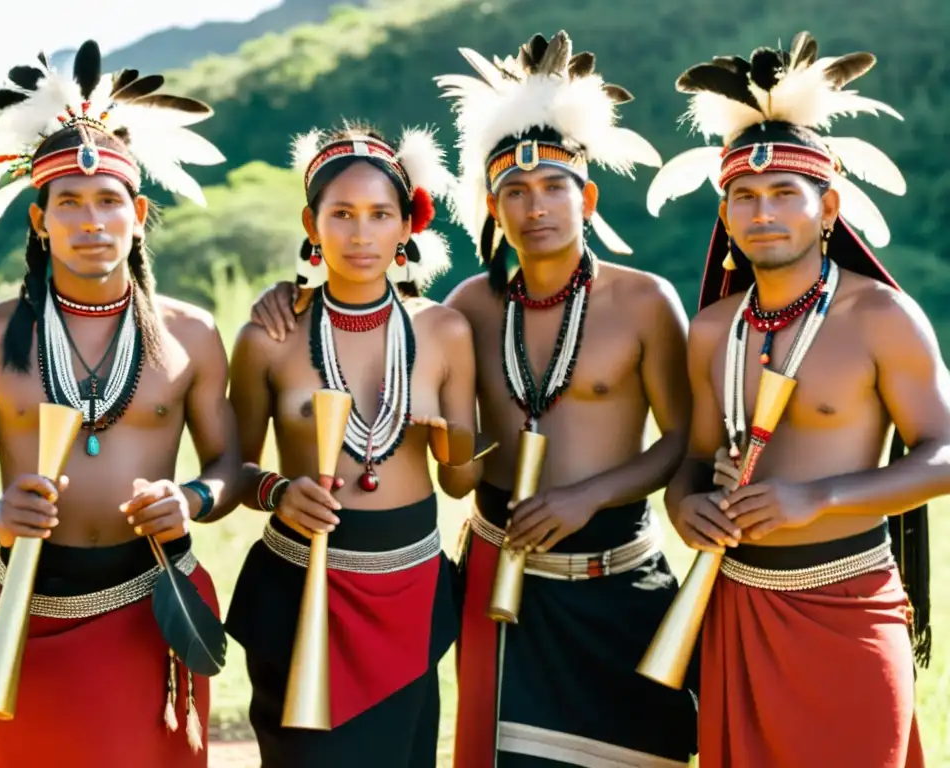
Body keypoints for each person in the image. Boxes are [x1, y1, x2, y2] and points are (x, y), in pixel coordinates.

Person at [250, 32, 700, 768]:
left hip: (618, 573)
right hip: (499, 577)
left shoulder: (644, 301)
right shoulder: (468, 308)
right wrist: (292, 293)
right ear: (490, 207)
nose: (536, 208)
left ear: (584, 195)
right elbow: (372, 308)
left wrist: (587, 496)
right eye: (513, 194)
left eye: (553, 187)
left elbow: (684, 439)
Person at [0, 42, 239, 768]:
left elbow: (230, 464)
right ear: (39, 220)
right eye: (68, 202)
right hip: (29, 609)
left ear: (138, 213)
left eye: (107, 203)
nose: (90, 221)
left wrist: (191, 497)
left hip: (156, 600)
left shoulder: (190, 333)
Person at [647, 30, 939, 767]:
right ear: (725, 215)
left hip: (850, 602)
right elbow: (695, 457)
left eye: (785, 193)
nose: (763, 211)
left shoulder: (881, 317)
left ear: (829, 206)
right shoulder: (715, 328)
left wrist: (823, 496)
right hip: (737, 604)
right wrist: (686, 508)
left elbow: (946, 451)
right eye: (743, 196)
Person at [222, 122, 479, 767]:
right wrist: (278, 491)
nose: (360, 234)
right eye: (341, 214)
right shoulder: (271, 336)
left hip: (408, 592)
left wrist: (452, 445)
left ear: (406, 227)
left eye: (379, 214)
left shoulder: (445, 331)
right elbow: (229, 471)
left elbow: (460, 482)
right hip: (300, 588)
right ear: (312, 225)